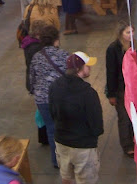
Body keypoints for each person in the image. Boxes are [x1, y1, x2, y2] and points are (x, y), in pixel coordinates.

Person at [49, 51, 103, 184]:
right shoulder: (88, 93)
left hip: (61, 142)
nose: (90, 68)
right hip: (83, 146)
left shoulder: (54, 86)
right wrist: (94, 136)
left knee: (66, 177)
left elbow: (52, 112)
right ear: (79, 69)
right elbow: (96, 123)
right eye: (87, 66)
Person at [29, 25, 68, 168]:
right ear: (56, 39)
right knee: (65, 127)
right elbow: (70, 75)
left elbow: (32, 78)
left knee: (51, 129)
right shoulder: (64, 55)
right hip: (60, 97)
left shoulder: (36, 57)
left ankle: (56, 160)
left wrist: (34, 92)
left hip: (42, 99)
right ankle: (68, 158)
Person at [105, 23, 137, 156]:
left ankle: (135, 139)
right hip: (121, 88)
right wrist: (111, 94)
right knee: (124, 117)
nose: (131, 35)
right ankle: (127, 145)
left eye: (132, 32)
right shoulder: (113, 49)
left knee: (134, 115)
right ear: (120, 34)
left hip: (134, 86)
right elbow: (111, 72)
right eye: (127, 32)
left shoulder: (133, 45)